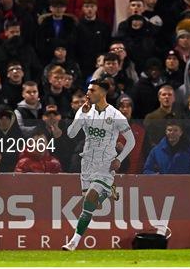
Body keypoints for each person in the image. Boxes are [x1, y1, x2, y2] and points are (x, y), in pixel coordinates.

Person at [62, 79, 135, 251]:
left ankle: (74, 241)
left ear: (102, 93)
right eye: (88, 90)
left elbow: (131, 141)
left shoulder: (116, 116)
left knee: (89, 199)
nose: (88, 94)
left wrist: (120, 159)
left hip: (106, 164)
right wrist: (81, 115)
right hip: (87, 163)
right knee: (95, 204)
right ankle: (108, 191)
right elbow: (71, 134)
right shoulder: (84, 110)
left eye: (92, 90)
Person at [75, 0, 111, 79]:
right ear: (83, 8)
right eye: (87, 6)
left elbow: (107, 44)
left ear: (96, 8)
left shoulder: (104, 26)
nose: (89, 9)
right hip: (82, 64)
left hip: (99, 63)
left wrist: (103, 57)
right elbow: (74, 45)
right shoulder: (77, 26)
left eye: (92, 6)